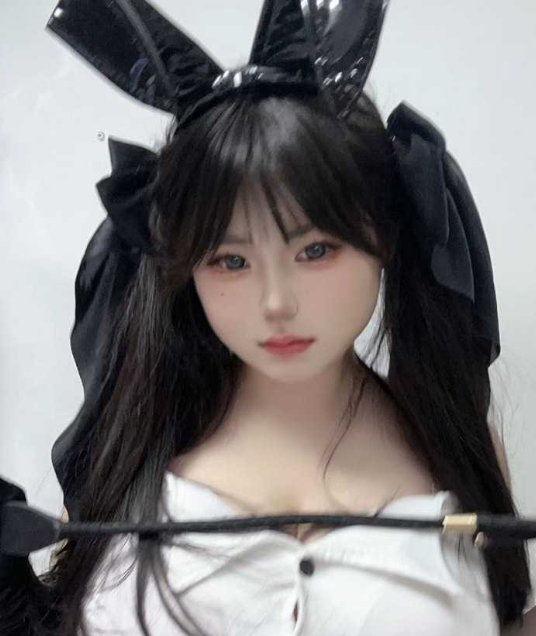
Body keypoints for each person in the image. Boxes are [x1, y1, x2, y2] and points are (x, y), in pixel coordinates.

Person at [0, 0, 533, 635]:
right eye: (230, 261)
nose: (276, 301)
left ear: (387, 236)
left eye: (316, 250)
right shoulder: (125, 448)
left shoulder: (456, 447)